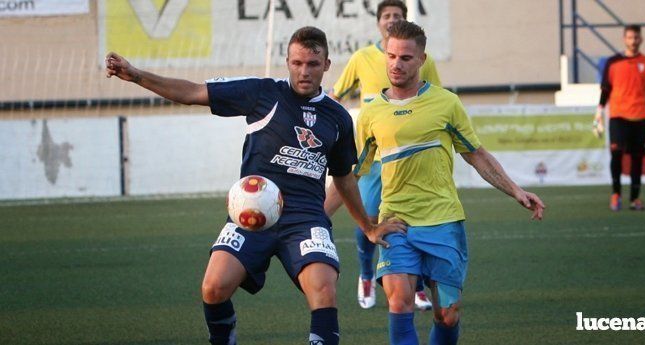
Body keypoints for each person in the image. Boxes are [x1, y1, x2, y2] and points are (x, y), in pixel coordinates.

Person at [105, 26, 405, 345]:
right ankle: (225, 336)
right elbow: (193, 92)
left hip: (305, 218)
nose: (304, 71)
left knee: (324, 291)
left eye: (313, 64)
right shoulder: (263, 93)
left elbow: (344, 177)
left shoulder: (339, 118)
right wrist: (137, 76)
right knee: (213, 288)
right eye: (297, 63)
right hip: (250, 214)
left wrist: (368, 226)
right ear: (287, 61)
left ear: (327, 65)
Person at [353, 21, 545, 345]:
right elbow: (350, 176)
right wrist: (323, 214)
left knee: (447, 315)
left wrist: (516, 190)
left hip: (442, 222)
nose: (396, 64)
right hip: (396, 221)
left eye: (405, 57)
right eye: (391, 56)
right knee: (399, 300)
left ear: (422, 60)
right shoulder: (370, 113)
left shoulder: (446, 103)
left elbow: (477, 155)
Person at [327, 0, 440, 311]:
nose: (392, 19)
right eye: (387, 16)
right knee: (370, 217)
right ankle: (365, 274)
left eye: (398, 16)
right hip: (373, 158)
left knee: (412, 220)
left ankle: (415, 285)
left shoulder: (420, 60)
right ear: (379, 23)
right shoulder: (362, 57)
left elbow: (436, 99)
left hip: (411, 157)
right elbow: (336, 97)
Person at [593, 24, 645, 211]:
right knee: (616, 156)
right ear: (624, 39)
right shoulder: (612, 63)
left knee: (637, 159)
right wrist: (599, 113)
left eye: (636, 38)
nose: (633, 41)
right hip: (618, 117)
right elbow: (605, 90)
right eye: (629, 38)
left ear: (640, 39)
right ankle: (616, 195)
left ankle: (634, 199)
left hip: (641, 118)